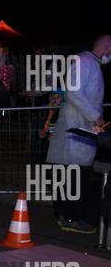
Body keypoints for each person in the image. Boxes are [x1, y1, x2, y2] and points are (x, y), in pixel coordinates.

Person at [46, 35, 111, 233]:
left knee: (68, 174)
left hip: (77, 127)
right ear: (107, 46)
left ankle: (64, 215)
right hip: (77, 127)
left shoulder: (87, 62)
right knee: (75, 175)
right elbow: (74, 92)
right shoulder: (86, 62)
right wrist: (96, 117)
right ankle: (70, 217)